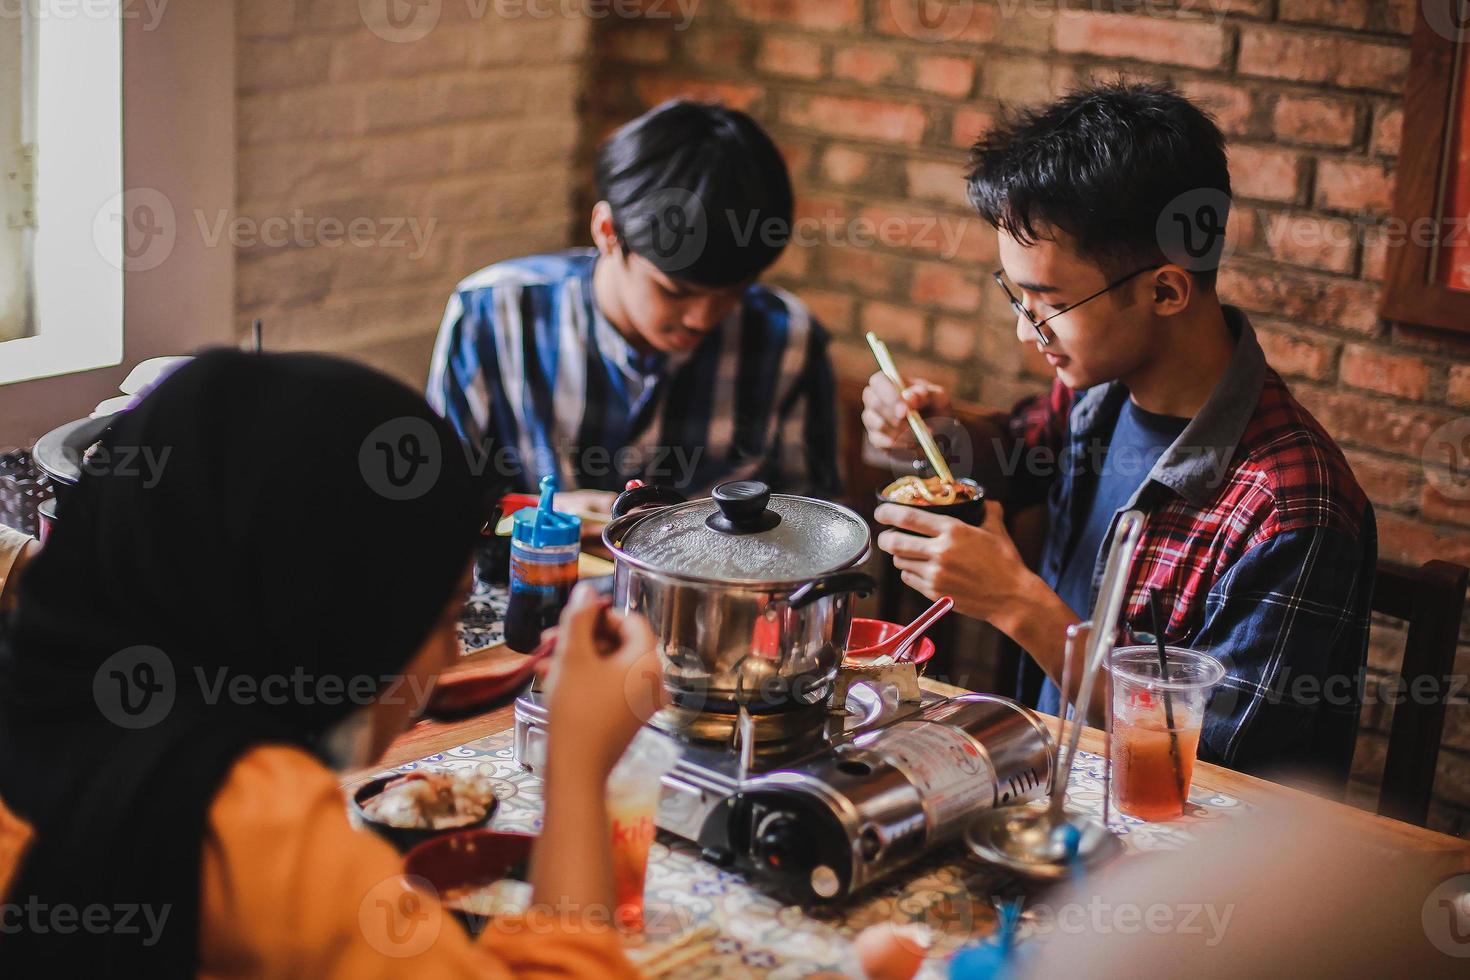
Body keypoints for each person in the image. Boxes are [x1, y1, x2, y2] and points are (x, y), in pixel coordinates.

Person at [0, 350, 659, 977]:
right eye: (442, 616)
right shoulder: (256, 828)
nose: (454, 655)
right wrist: (575, 767)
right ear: (327, 613)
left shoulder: (54, 729)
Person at [864, 83, 1375, 791]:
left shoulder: (1291, 508)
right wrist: (928, 430)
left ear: (1166, 292)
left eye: (1049, 303)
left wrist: (1018, 602)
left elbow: (1214, 767)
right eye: (1017, 296)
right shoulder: (1097, 395)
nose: (1024, 330)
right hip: (1046, 793)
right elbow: (1015, 454)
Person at [427, 99, 840, 516]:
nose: (703, 318)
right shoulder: (494, 313)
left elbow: (821, 526)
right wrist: (537, 514)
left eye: (733, 293)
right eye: (675, 292)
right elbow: (437, 507)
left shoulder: (786, 338)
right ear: (607, 231)